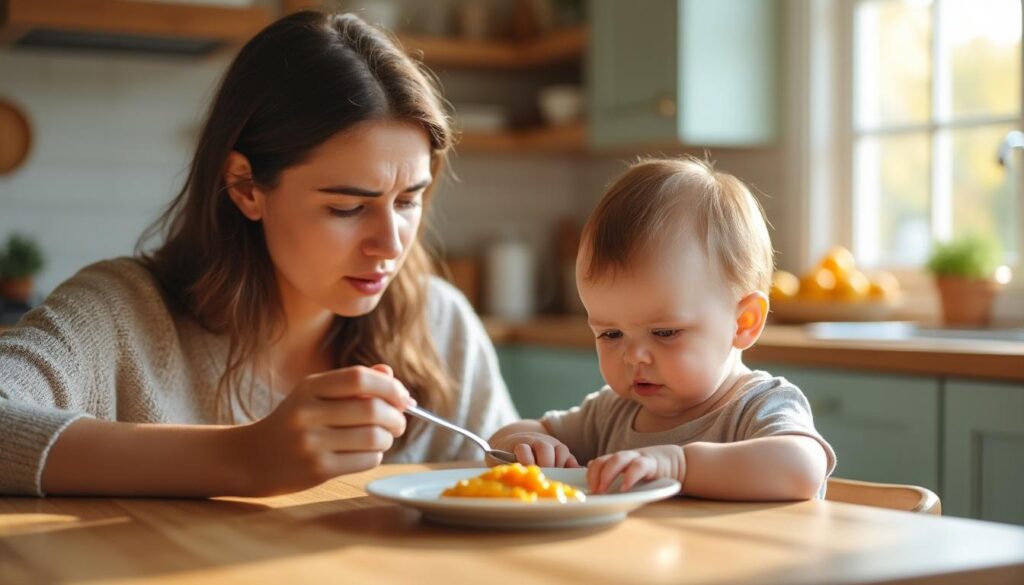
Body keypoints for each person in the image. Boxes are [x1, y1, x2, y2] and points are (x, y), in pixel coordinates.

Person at [0, 10, 518, 498]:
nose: (391, 243)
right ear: (246, 187)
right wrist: (242, 456)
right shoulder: (120, 315)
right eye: (346, 208)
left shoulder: (438, 321)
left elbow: (507, 479)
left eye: (407, 201)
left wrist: (532, 445)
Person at [490, 157, 836, 499]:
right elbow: (509, 437)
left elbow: (803, 468)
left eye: (664, 332)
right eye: (611, 334)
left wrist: (680, 465)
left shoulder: (756, 406)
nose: (633, 356)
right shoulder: (612, 413)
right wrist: (524, 443)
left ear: (744, 322)